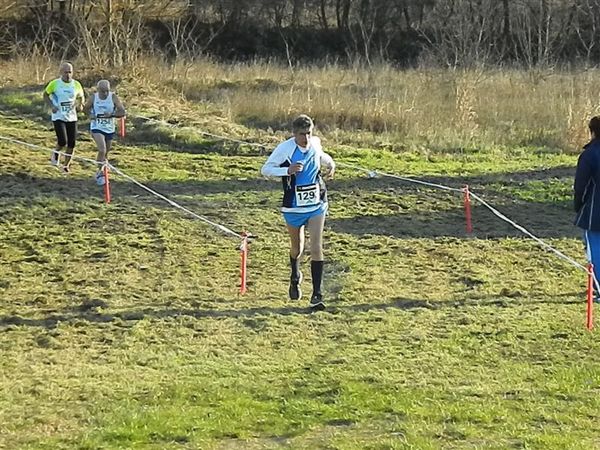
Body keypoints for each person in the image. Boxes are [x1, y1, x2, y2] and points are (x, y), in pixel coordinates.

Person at [261, 114, 335, 310]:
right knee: (297, 248)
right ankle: (295, 275)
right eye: (302, 134)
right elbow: (266, 169)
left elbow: (321, 154)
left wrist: (331, 164)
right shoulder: (285, 149)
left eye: (309, 133)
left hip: (317, 204)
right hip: (293, 207)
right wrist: (287, 171)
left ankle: (317, 294)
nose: (306, 138)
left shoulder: (315, 143)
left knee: (316, 247)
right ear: (294, 134)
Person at [574, 116, 600, 298]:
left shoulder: (590, 154)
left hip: (595, 213)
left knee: (596, 251)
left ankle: (599, 288)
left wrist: (578, 205)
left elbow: (580, 186)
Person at [43, 62, 85, 172]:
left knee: (72, 143)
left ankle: (66, 166)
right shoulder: (55, 84)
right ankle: (55, 154)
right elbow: (45, 94)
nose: (68, 74)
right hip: (58, 115)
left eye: (70, 72)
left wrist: (80, 104)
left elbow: (81, 96)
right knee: (62, 141)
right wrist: (51, 105)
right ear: (61, 72)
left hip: (72, 117)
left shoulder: (76, 84)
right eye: (66, 72)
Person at [83, 79, 126, 186]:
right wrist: (90, 115)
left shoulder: (113, 97)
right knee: (102, 149)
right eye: (103, 91)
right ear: (98, 90)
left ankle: (103, 170)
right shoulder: (94, 97)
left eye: (107, 91)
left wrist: (112, 114)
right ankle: (100, 173)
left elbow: (122, 112)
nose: (105, 93)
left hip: (109, 128)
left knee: (106, 153)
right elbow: (85, 109)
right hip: (96, 127)